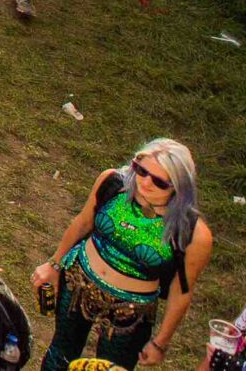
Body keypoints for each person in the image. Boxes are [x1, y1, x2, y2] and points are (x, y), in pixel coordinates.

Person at [29, 139, 212, 371]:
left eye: (159, 181)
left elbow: (181, 290)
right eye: (141, 170)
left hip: (131, 312)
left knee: (113, 368)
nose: (145, 182)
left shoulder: (193, 233)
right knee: (60, 355)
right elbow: (83, 222)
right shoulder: (113, 182)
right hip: (78, 282)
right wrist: (53, 266)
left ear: (178, 186)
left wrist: (160, 342)